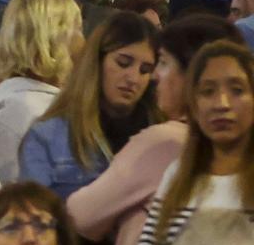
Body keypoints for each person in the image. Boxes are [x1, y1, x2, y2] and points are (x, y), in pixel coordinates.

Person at [71, 15, 240, 245]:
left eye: (162, 64)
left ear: (192, 75)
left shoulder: (164, 143)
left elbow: (81, 215)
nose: (153, 78)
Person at [133, 39, 254, 245]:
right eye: (207, 91)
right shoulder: (179, 175)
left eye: (237, 90)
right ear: (194, 104)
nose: (221, 103)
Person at [21, 13, 160, 210]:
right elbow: (33, 220)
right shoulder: (46, 135)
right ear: (97, 61)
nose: (133, 78)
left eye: (145, 70)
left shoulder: (161, 134)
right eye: (123, 63)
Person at [0, 0, 80, 181]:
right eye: (77, 28)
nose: (83, 40)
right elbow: (10, 196)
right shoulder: (14, 113)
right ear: (55, 35)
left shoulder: (49, 101)